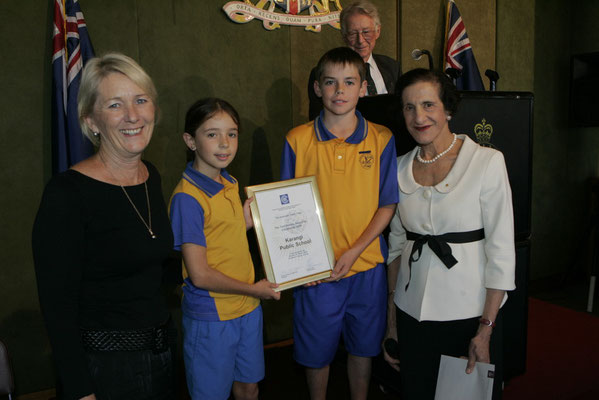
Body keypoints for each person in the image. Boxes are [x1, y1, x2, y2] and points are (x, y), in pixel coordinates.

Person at [32, 53, 175, 399]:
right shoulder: (66, 194)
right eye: (115, 104)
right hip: (102, 371)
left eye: (141, 100)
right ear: (91, 121)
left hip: (163, 359)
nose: (133, 115)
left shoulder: (149, 176)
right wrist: (82, 391)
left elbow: (152, 269)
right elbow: (57, 308)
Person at [382, 68, 516, 400]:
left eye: (428, 104)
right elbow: (396, 248)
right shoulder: (397, 168)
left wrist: (485, 331)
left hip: (469, 316)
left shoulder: (487, 162)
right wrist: (392, 322)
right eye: (409, 107)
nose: (419, 116)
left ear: (448, 109)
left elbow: (501, 252)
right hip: (412, 315)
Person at [281, 47, 398, 400]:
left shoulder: (382, 139)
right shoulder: (296, 140)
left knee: (363, 348)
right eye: (330, 82)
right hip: (317, 274)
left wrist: (355, 250)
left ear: (363, 88)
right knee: (316, 354)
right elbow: (285, 212)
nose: (339, 91)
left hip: (365, 267)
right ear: (317, 88)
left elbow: (387, 204)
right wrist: (301, 263)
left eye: (349, 82)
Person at [169, 98, 280, 400]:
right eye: (212, 134)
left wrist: (250, 220)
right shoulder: (187, 199)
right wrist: (254, 290)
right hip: (212, 316)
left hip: (246, 309)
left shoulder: (229, 181)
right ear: (190, 140)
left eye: (231, 134)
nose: (224, 143)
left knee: (248, 386)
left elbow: (221, 234)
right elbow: (201, 275)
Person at [307, 0, 401, 120]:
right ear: (344, 36)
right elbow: (318, 120)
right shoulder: (322, 72)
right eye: (352, 33)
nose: (360, 40)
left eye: (366, 32)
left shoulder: (392, 67)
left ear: (378, 31)